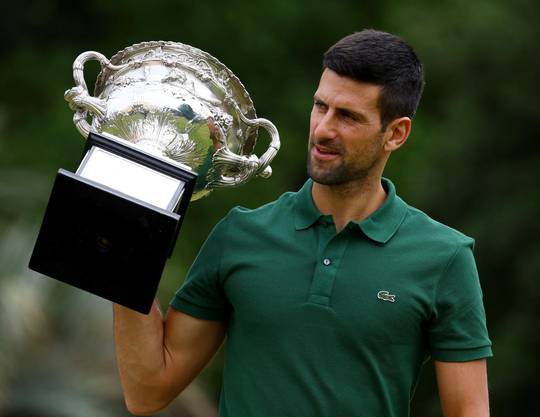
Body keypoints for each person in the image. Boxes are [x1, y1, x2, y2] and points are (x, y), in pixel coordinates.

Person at [113, 29, 492, 417]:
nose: (324, 129)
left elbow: (469, 411)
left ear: (396, 133)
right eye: (320, 106)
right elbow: (147, 392)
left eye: (347, 116)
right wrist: (124, 247)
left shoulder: (444, 257)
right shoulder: (241, 235)